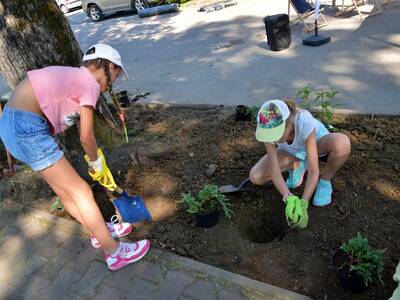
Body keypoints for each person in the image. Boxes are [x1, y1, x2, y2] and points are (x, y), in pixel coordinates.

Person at [0, 43, 150, 271]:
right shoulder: (89, 83)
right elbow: (86, 137)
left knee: (65, 191)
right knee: (82, 191)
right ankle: (115, 252)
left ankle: (98, 232)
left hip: (12, 128)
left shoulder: (75, 77)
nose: (113, 82)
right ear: (109, 66)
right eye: (116, 75)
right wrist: (97, 162)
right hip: (26, 129)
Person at [249, 99, 351, 228]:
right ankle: (298, 164)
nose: (274, 139)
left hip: (317, 144)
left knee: (342, 143)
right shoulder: (268, 127)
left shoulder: (304, 122)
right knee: (256, 176)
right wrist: (288, 197)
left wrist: (303, 203)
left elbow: (314, 171)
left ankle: (325, 182)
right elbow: (275, 171)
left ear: (289, 123)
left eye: (277, 134)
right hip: (291, 151)